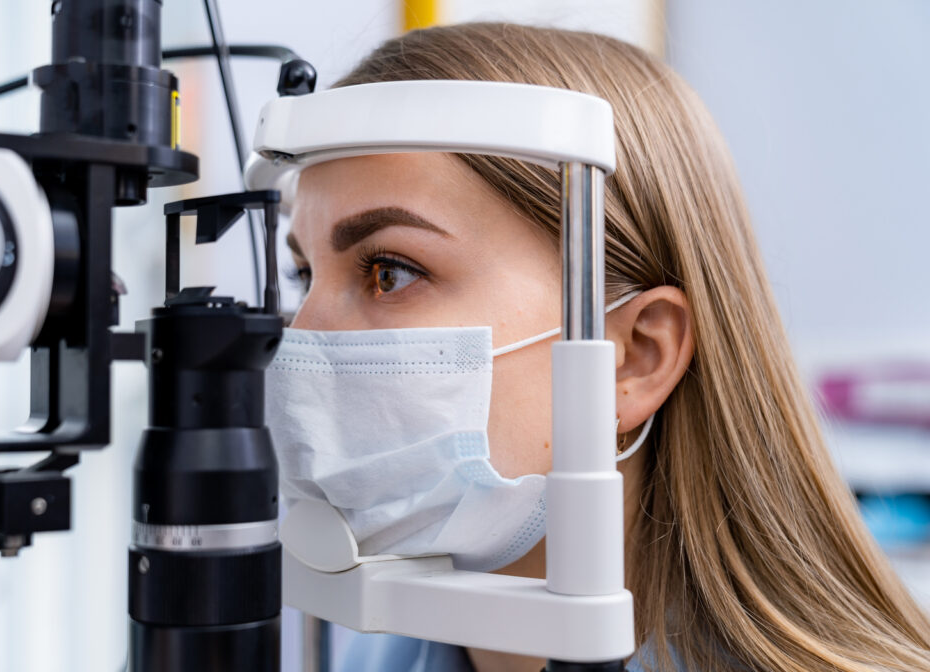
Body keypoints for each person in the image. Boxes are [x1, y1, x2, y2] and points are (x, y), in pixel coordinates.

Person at [268, 23, 930, 672]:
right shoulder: (365, 645)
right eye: (304, 276)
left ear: (636, 357)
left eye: (390, 271)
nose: (297, 343)